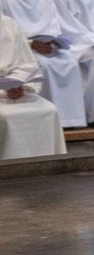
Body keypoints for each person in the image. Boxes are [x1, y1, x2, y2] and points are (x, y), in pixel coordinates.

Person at [0, 0, 87, 129]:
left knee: (70, 63)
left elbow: (53, 22)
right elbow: (5, 30)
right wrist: (31, 44)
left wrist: (51, 41)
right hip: (23, 50)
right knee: (44, 66)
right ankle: (49, 121)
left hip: (45, 45)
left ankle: (70, 120)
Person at [0, 13, 66, 159]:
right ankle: (9, 170)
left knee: (49, 110)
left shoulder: (9, 24)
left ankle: (48, 166)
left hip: (10, 89)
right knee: (6, 117)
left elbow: (27, 64)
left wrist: (17, 84)